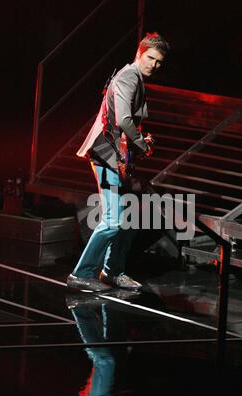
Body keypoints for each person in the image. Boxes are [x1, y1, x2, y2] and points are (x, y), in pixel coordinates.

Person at [67, 32, 170, 292]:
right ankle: (81, 273)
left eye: (159, 61)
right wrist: (142, 143)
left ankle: (112, 272)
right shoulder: (128, 77)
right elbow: (123, 120)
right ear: (139, 53)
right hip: (106, 154)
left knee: (126, 220)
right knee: (113, 220)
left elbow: (126, 122)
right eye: (150, 58)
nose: (154, 65)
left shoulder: (136, 79)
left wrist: (138, 140)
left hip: (117, 155)